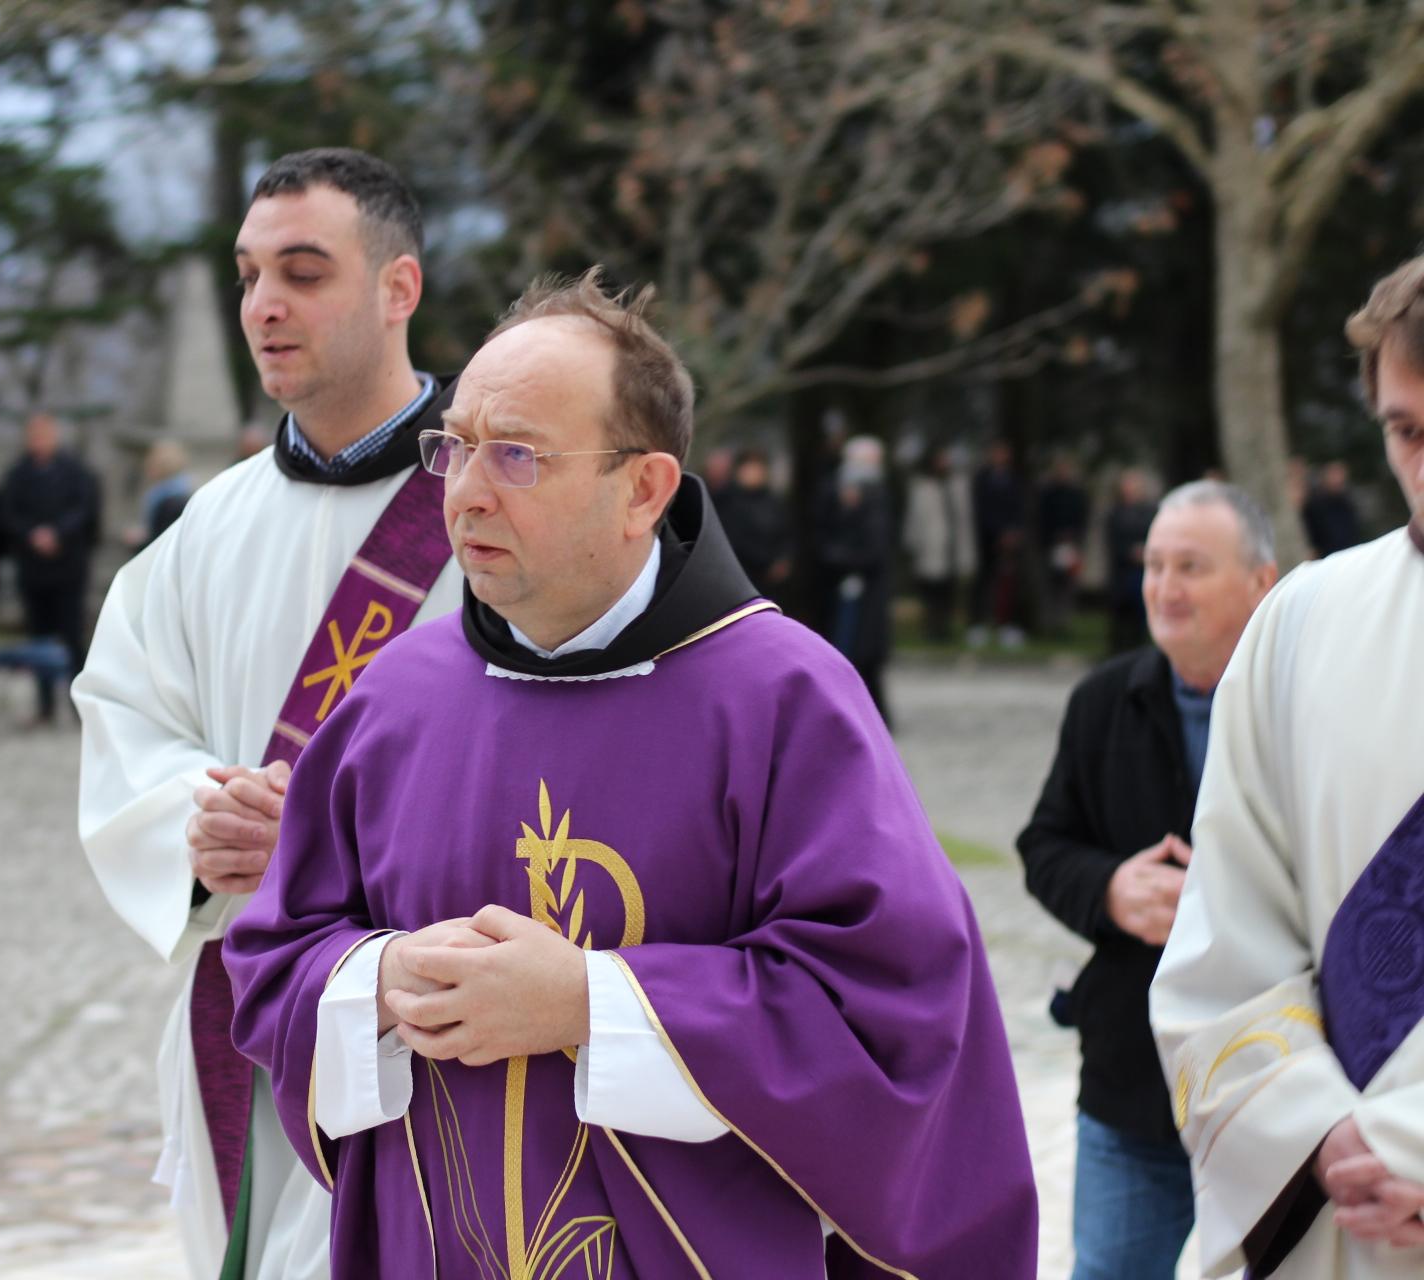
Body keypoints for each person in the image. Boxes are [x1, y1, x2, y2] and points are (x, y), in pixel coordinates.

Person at [225, 271, 1037, 1279]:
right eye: (455, 445)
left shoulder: (783, 698)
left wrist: (589, 1002)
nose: (466, 490)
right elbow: (272, 959)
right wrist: (376, 981)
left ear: (643, 489)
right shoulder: (396, 695)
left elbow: (889, 1017)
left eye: (516, 453)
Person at [73, 148, 463, 1280]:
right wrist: (202, 817)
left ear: (400, 289)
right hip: (254, 1012)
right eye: (249, 274)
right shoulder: (205, 526)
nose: (265, 305)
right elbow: (127, 716)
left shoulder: (491, 508)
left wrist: (331, 837)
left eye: (303, 270)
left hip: (429, 1016)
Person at [1151, 258, 1424, 1279]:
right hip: (1334, 1211)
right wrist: (1324, 1133)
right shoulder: (1304, 622)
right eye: (1406, 431)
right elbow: (1227, 939)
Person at [1018, 480, 1279, 1280]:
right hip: (1133, 1082)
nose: (1165, 588)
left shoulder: (1304, 702)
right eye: (1154, 565)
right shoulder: (1104, 699)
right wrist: (1109, 890)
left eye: (1192, 566)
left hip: (1282, 1083)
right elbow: (1044, 844)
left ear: (1261, 582)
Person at [0, 413, 100, 725]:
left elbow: (84, 511)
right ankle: (44, 705)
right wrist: (33, 535)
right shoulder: (18, 474)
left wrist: (57, 534)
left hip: (68, 566)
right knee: (38, 636)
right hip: (33, 567)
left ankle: (80, 707)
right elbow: (7, 513)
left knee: (71, 635)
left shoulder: (75, 473)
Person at [815, 435, 894, 723]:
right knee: (852, 652)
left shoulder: (873, 496)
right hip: (847, 584)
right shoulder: (838, 492)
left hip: (864, 585)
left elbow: (874, 546)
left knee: (863, 655)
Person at [903, 443, 975, 643]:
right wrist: (914, 545)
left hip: (952, 549)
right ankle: (932, 628)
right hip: (931, 548)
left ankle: (945, 628)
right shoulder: (922, 488)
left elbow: (965, 520)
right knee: (931, 590)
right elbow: (914, 519)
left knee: (949, 591)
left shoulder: (958, 486)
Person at [711, 446, 792, 601]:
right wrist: (765, 563)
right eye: (750, 468)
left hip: (772, 581)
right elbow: (734, 539)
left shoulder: (772, 501)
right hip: (743, 575)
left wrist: (783, 559)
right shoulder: (728, 502)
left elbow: (786, 533)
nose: (754, 473)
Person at [970, 439, 1025, 649]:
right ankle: (979, 624)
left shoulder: (1013, 479)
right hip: (986, 539)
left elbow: (1017, 508)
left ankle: (1006, 624)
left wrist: (1011, 532)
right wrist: (995, 533)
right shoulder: (982, 479)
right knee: (984, 581)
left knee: (1008, 583)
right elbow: (980, 509)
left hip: (1009, 540)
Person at [1104, 467, 1158, 655]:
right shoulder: (1115, 512)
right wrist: (1130, 552)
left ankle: (1138, 649)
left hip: (1141, 569)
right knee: (1120, 615)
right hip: (1122, 570)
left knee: (1140, 614)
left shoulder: (1149, 511)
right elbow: (1112, 540)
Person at [1037, 454, 1091, 640]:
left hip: (1071, 544)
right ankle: (1050, 624)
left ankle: (1064, 622)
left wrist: (1074, 535)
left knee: (1068, 585)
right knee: (1052, 585)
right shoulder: (1048, 493)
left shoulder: (1077, 494)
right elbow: (1043, 518)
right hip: (1052, 544)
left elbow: (1082, 518)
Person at [1301, 460, 1365, 559]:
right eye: (1334, 474)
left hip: (1349, 551)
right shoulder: (1315, 504)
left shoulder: (1346, 502)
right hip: (1327, 556)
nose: (1338, 479)